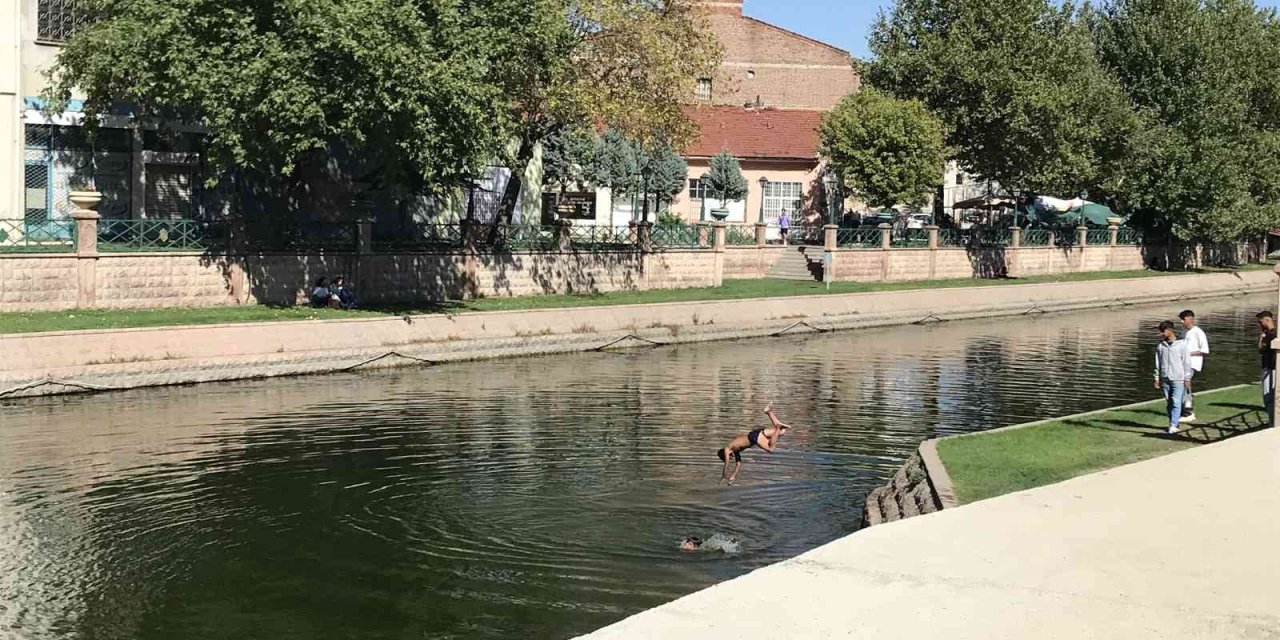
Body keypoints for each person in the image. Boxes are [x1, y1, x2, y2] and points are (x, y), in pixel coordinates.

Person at [717, 405, 793, 484]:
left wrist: (723, 477)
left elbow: (726, 464)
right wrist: (734, 476)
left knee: (771, 449)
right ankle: (769, 412)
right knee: (782, 431)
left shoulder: (727, 449)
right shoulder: (735, 450)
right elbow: (738, 464)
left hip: (754, 437)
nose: (730, 458)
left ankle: (778, 427)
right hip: (756, 433)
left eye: (728, 457)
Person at [1153, 321, 1193, 435]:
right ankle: (1172, 422)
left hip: (1178, 378)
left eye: (1163, 331)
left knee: (1176, 401)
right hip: (1165, 377)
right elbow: (1158, 363)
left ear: (1170, 330)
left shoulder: (1182, 345)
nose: (1162, 334)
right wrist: (1156, 377)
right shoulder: (1161, 346)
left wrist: (1187, 378)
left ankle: (1174, 425)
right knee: (1169, 402)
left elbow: (1186, 363)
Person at [1178, 310, 1209, 423]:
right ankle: (1184, 408)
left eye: (1183, 319)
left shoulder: (1198, 332)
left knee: (1185, 383)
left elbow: (1204, 350)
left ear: (1190, 319)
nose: (1181, 322)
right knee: (1181, 384)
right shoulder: (1184, 332)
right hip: (1183, 363)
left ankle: (1189, 411)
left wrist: (1189, 354)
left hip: (1192, 363)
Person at [1258, 311, 1276, 422]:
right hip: (1269, 367)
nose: (1260, 325)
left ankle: (1272, 420)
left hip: (1270, 367)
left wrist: (1261, 338)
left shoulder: (1270, 335)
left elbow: (1260, 348)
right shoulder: (1271, 334)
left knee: (1268, 396)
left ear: (1267, 320)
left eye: (1261, 322)